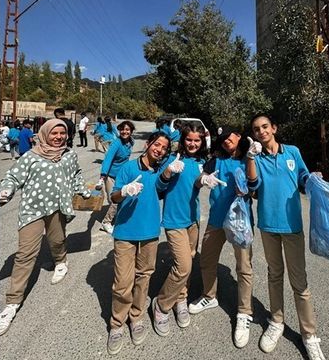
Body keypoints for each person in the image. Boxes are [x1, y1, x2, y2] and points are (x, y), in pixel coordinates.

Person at [246, 113, 325, 360]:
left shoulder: (292, 152)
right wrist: (250, 157)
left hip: (292, 226)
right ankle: (277, 322)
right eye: (256, 129)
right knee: (274, 275)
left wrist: (312, 178)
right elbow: (252, 186)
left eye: (265, 127)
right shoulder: (256, 158)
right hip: (268, 226)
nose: (261, 132)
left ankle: (309, 335)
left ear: (274, 128)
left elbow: (302, 177)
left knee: (299, 283)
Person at [0, 118, 85, 336]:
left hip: (58, 207)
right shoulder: (31, 156)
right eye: (54, 133)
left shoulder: (69, 155)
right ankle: (12, 303)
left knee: (57, 240)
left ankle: (61, 261)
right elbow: (12, 177)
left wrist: (83, 190)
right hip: (32, 210)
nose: (58, 137)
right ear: (45, 134)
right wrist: (6, 191)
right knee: (26, 253)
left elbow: (76, 175)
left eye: (62, 134)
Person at [188, 126, 255, 348]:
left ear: (239, 136)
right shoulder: (216, 160)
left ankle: (244, 313)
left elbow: (256, 187)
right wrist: (203, 180)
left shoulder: (249, 159)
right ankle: (209, 295)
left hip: (240, 222)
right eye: (223, 138)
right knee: (206, 259)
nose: (226, 141)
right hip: (216, 219)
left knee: (244, 267)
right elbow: (199, 178)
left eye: (230, 136)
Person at [105, 131, 170, 355]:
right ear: (148, 144)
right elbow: (112, 197)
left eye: (164, 148)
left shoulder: (161, 171)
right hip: (125, 233)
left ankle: (137, 317)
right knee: (123, 282)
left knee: (143, 278)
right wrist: (123, 191)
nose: (159, 149)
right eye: (157, 144)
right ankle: (117, 324)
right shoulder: (128, 168)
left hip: (150, 232)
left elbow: (164, 187)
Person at [150, 124, 209, 337]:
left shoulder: (201, 162)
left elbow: (196, 184)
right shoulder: (171, 160)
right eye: (189, 140)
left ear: (202, 142)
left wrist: (204, 180)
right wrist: (166, 172)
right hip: (174, 221)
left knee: (189, 261)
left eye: (197, 140)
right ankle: (162, 305)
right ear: (183, 140)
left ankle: (181, 298)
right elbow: (158, 188)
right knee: (183, 266)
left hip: (193, 220)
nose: (193, 144)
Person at [98, 120, 136, 234]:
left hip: (123, 175)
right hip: (111, 175)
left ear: (131, 131)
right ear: (119, 130)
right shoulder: (116, 143)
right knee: (115, 199)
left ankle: (119, 217)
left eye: (127, 130)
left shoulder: (131, 142)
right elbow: (108, 159)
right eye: (123, 129)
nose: (125, 132)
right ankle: (106, 222)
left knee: (125, 196)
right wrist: (103, 176)